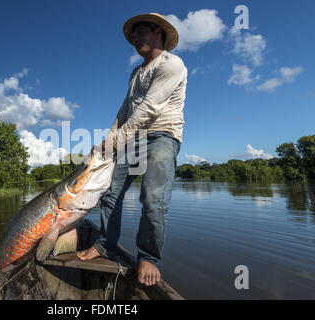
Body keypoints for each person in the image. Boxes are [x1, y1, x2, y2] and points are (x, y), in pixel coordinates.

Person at [77, 13, 188, 287]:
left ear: (158, 32)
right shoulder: (136, 73)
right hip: (133, 139)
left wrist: (116, 141)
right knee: (109, 192)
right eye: (134, 35)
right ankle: (104, 245)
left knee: (152, 198)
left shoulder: (172, 65)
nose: (135, 39)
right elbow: (126, 109)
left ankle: (148, 257)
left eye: (140, 32)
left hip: (162, 134)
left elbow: (149, 109)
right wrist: (110, 138)